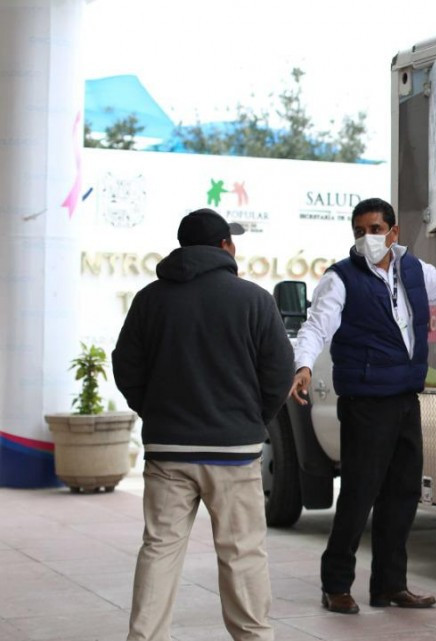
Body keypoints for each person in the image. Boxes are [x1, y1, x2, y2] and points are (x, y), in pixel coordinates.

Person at [289, 197, 436, 614]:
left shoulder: (412, 270)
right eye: (359, 231)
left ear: (394, 232)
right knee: (359, 496)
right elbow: (317, 325)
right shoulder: (340, 278)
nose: (367, 238)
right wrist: (303, 364)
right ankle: (336, 585)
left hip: (404, 399)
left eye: (375, 229)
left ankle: (389, 586)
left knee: (402, 494)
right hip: (365, 403)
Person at [112, 208, 294, 641]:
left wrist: (154, 411)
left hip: (168, 450)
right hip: (233, 451)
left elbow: (126, 366)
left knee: (160, 549)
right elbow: (278, 373)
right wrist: (252, 421)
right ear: (225, 247)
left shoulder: (149, 299)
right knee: (242, 553)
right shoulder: (253, 299)